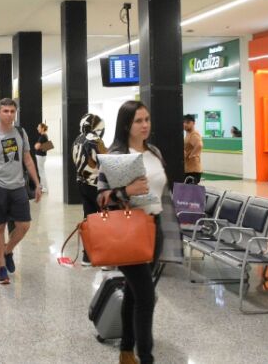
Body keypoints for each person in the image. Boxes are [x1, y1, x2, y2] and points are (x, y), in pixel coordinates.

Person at [96, 100, 169, 364]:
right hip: (129, 231)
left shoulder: (155, 153)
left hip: (154, 227)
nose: (145, 125)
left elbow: (162, 191)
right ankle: (145, 357)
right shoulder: (116, 156)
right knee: (146, 296)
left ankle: (126, 351)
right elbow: (101, 197)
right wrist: (125, 192)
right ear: (127, 124)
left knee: (134, 292)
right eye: (138, 121)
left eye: (147, 119)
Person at [0, 98, 42, 285]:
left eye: (12, 111)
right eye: (5, 111)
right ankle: (1, 268)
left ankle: (7, 250)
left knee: (24, 225)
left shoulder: (21, 132)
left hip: (18, 186)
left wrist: (37, 183)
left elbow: (27, 159)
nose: (9, 114)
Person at [72, 113, 107, 266]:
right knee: (104, 220)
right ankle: (106, 257)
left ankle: (87, 256)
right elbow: (106, 161)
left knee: (89, 218)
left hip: (82, 183)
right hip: (96, 184)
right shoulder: (95, 141)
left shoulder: (77, 140)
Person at [183, 114, 203, 184]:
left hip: (193, 171)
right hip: (188, 169)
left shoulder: (194, 134)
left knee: (190, 193)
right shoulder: (188, 134)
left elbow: (199, 145)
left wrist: (191, 155)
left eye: (188, 122)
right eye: (184, 122)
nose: (185, 124)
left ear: (193, 123)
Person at [33, 123, 50, 193]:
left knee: (41, 172)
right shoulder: (45, 136)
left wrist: (37, 146)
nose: (37, 128)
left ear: (42, 128)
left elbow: (36, 146)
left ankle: (45, 188)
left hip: (40, 156)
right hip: (42, 155)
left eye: (39, 127)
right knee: (41, 171)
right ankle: (42, 185)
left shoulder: (43, 136)